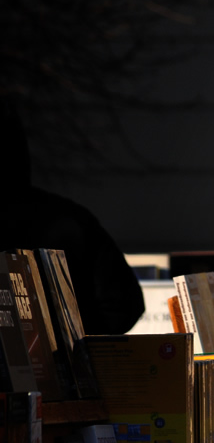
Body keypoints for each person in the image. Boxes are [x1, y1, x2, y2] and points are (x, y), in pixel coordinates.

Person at [1, 99, 145, 335]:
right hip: (67, 355)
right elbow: (123, 305)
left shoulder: (69, 221)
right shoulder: (70, 218)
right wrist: (73, 341)